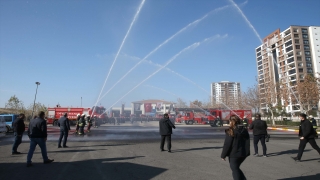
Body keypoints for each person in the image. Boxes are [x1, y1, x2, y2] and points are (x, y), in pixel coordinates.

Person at [221, 115, 250, 180]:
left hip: (234, 153)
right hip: (244, 153)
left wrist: (223, 155)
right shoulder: (244, 130)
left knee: (235, 169)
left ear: (231, 121)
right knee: (236, 168)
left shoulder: (231, 131)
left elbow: (227, 144)